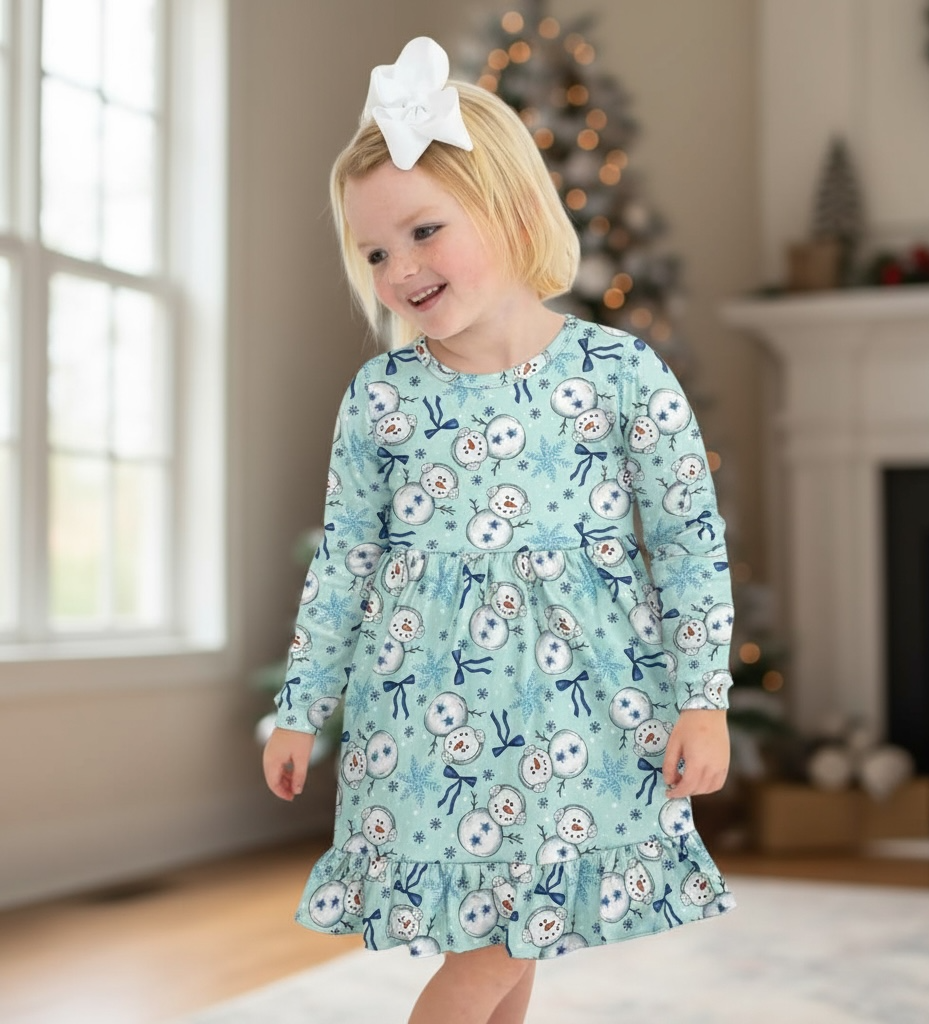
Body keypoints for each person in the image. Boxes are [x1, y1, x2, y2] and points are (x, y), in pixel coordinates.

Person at [263, 35, 736, 1024]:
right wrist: (302, 706)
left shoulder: (618, 373)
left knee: (512, 930)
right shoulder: (383, 399)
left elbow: (688, 545)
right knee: (496, 931)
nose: (401, 269)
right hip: (428, 720)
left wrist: (703, 698)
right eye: (377, 252)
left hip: (583, 716)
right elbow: (346, 563)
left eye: (425, 230)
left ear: (511, 205)